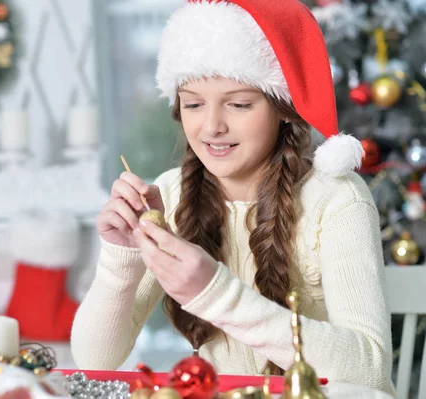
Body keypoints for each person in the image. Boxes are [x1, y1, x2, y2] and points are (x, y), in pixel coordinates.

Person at [71, 0, 394, 395]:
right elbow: (94, 361)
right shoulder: (170, 194)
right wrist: (122, 257)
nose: (211, 126)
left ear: (283, 107)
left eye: (239, 104)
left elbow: (371, 372)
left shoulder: (337, 200)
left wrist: (216, 293)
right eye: (192, 104)